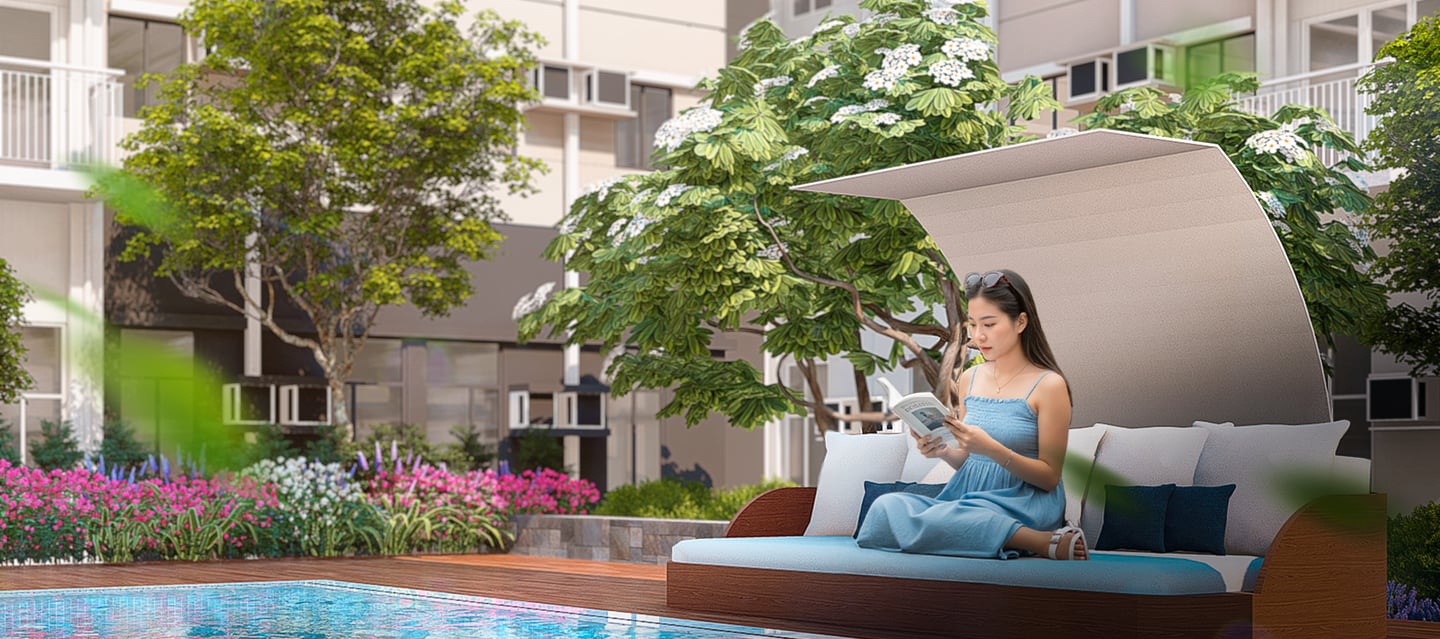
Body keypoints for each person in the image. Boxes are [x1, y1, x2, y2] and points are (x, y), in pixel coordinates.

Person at [855, 269, 1086, 560]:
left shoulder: (1049, 385)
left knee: (971, 519)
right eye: (973, 324)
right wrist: (941, 450)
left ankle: (1040, 540)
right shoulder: (970, 378)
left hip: (1024, 502)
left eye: (989, 324)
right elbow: (968, 460)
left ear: (1021, 322)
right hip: (966, 500)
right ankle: (1007, 538)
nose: (979, 335)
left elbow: (1050, 478)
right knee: (885, 508)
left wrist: (990, 448)